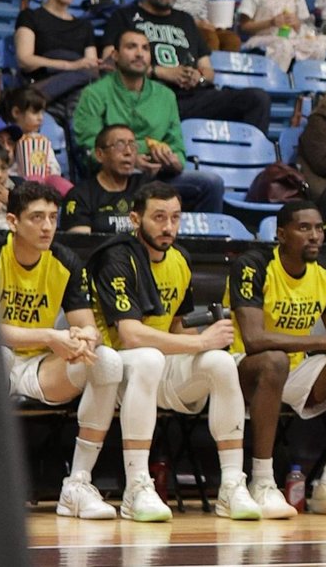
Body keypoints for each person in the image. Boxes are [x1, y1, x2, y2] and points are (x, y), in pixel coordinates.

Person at [87, 182, 258, 522]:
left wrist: (207, 341)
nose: (168, 227)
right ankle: (137, 487)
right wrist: (199, 343)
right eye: (159, 217)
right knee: (150, 356)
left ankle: (232, 485)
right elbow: (131, 335)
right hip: (111, 370)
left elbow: (177, 327)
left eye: (175, 218)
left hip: (157, 367)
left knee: (222, 362)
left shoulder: (180, 259)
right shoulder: (116, 257)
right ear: (136, 219)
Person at [228, 201, 326, 519]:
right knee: (274, 361)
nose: (315, 236)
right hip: (242, 370)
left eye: (320, 228)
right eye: (304, 228)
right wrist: (325, 341)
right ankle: (263, 483)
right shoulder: (253, 265)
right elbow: (253, 340)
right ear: (281, 234)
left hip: (292, 369)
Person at [0, 182, 125, 520]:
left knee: (108, 362)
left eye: (53, 217)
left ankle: (77, 485)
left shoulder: (65, 259)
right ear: (13, 221)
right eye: (37, 217)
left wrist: (84, 338)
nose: (47, 226)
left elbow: (88, 325)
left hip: (39, 365)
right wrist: (52, 335)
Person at [103, 0, 273, 132]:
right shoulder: (123, 17)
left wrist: (197, 77)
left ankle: (252, 157)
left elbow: (207, 71)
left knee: (257, 99)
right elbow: (109, 65)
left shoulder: (186, 21)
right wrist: (160, 72)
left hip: (193, 98)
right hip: (149, 96)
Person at [70, 32, 226, 214]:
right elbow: (89, 146)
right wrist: (131, 161)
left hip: (158, 176)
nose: (139, 54)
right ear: (115, 56)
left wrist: (173, 162)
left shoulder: (166, 96)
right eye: (131, 47)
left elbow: (177, 147)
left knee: (212, 184)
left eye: (145, 48)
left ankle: (202, 241)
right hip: (115, 177)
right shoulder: (95, 94)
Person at [13, 0, 101, 108]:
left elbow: (90, 69)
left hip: (74, 92)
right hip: (45, 82)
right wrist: (70, 65)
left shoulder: (84, 26)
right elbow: (25, 61)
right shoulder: (30, 17)